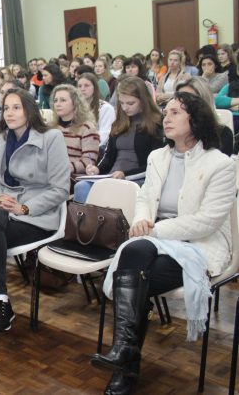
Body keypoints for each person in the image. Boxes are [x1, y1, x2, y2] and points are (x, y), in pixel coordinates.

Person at [90, 91, 235, 395]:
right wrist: (143, 220)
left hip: (198, 245)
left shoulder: (221, 164)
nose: (165, 119)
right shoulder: (159, 156)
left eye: (175, 113)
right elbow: (145, 198)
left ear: (195, 120)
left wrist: (153, 229)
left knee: (131, 271)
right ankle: (126, 354)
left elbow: (207, 221)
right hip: (155, 241)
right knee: (136, 264)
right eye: (165, 113)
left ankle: (126, 364)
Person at [0, 88, 69, 346]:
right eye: (6, 108)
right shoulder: (0, 139)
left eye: (16, 107)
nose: (9, 113)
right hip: (5, 210)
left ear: (29, 110)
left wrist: (25, 208)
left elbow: (61, 189)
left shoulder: (52, 137)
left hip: (38, 215)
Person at [73, 77, 164, 203]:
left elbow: (154, 165)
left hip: (137, 179)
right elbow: (108, 156)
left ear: (143, 101)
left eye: (130, 103)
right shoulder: (119, 123)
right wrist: (97, 169)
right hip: (113, 176)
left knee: (116, 191)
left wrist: (126, 174)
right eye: (122, 103)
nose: (125, 108)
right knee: (81, 187)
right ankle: (85, 222)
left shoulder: (155, 125)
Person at [174, 76, 234, 156]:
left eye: (188, 100)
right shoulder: (172, 132)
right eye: (179, 99)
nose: (182, 105)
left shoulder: (222, 134)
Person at [49, 84, 100, 175]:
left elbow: (88, 162)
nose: (57, 104)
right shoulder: (49, 127)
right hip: (49, 174)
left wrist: (65, 168)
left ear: (75, 103)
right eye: (55, 100)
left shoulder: (87, 128)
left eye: (63, 100)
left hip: (72, 177)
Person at [77, 72, 115, 147]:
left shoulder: (106, 108)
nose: (82, 89)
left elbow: (105, 134)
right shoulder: (74, 108)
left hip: (97, 148)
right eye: (79, 86)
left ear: (95, 88)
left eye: (86, 85)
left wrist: (87, 146)